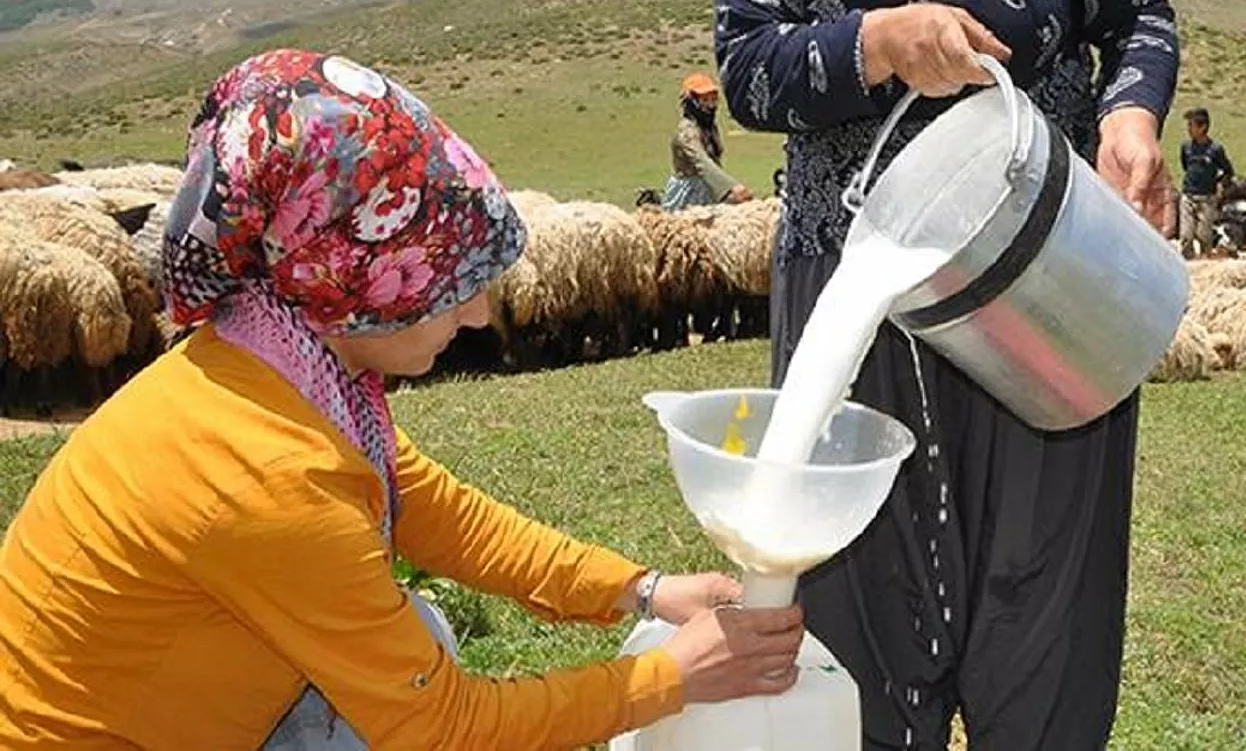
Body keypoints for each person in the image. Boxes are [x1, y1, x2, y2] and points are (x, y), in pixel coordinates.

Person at [0, 49, 803, 750]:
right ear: (355, 285)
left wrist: (643, 589)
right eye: (446, 287)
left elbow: (433, 509)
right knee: (406, 669)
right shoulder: (267, 469)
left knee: (409, 632)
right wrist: (670, 677)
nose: (481, 313)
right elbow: (440, 729)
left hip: (179, 706)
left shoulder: (283, 370)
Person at [704, 0, 1179, 747]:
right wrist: (875, 42)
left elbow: (1138, 14)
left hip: (1041, 274)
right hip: (853, 279)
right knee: (860, 592)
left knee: (1042, 584)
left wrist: (1130, 118)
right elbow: (745, 71)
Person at [664, 71, 750, 209]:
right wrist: (731, 187)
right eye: (704, 100)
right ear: (692, 102)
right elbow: (702, 161)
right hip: (689, 191)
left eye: (713, 100)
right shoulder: (687, 131)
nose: (710, 106)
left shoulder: (708, 126)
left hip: (710, 186)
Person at [1177, 106, 1235, 258]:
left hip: (1207, 198)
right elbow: (1185, 166)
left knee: (1204, 236)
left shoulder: (1215, 149)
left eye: (1192, 125)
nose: (1188, 129)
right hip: (1188, 196)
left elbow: (1228, 171)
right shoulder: (1186, 147)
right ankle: (1187, 263)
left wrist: (1219, 184)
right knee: (1186, 236)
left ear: (1203, 127)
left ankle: (1205, 262)